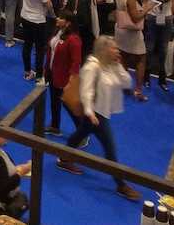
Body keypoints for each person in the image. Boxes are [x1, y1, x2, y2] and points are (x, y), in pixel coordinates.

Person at [56, 36, 142, 200]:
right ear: (104, 49)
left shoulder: (111, 65)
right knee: (110, 150)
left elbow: (126, 82)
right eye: (114, 48)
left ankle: (64, 158)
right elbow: (86, 91)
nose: (117, 51)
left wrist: (118, 65)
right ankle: (121, 185)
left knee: (80, 134)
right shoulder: (92, 66)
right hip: (96, 115)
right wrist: (89, 112)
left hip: (100, 113)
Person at [114, 0, 156, 100]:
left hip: (120, 29)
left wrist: (142, 5)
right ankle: (138, 90)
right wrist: (148, 8)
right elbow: (136, 18)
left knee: (123, 58)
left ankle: (124, 85)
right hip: (132, 33)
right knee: (140, 60)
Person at [45, 9, 83, 136]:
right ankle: (55, 127)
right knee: (54, 102)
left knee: (70, 107)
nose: (57, 19)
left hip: (65, 79)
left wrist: (72, 81)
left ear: (68, 23)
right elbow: (51, 51)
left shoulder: (74, 39)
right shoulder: (58, 32)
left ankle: (82, 133)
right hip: (53, 75)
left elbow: (76, 62)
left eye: (61, 18)